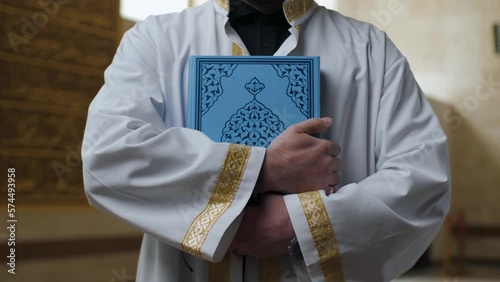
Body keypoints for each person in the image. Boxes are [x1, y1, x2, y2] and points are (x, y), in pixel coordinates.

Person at [82, 0, 451, 281]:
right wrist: (265, 169)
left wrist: (298, 224)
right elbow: (109, 153)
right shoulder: (157, 39)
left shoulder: (372, 50)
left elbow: (422, 179)